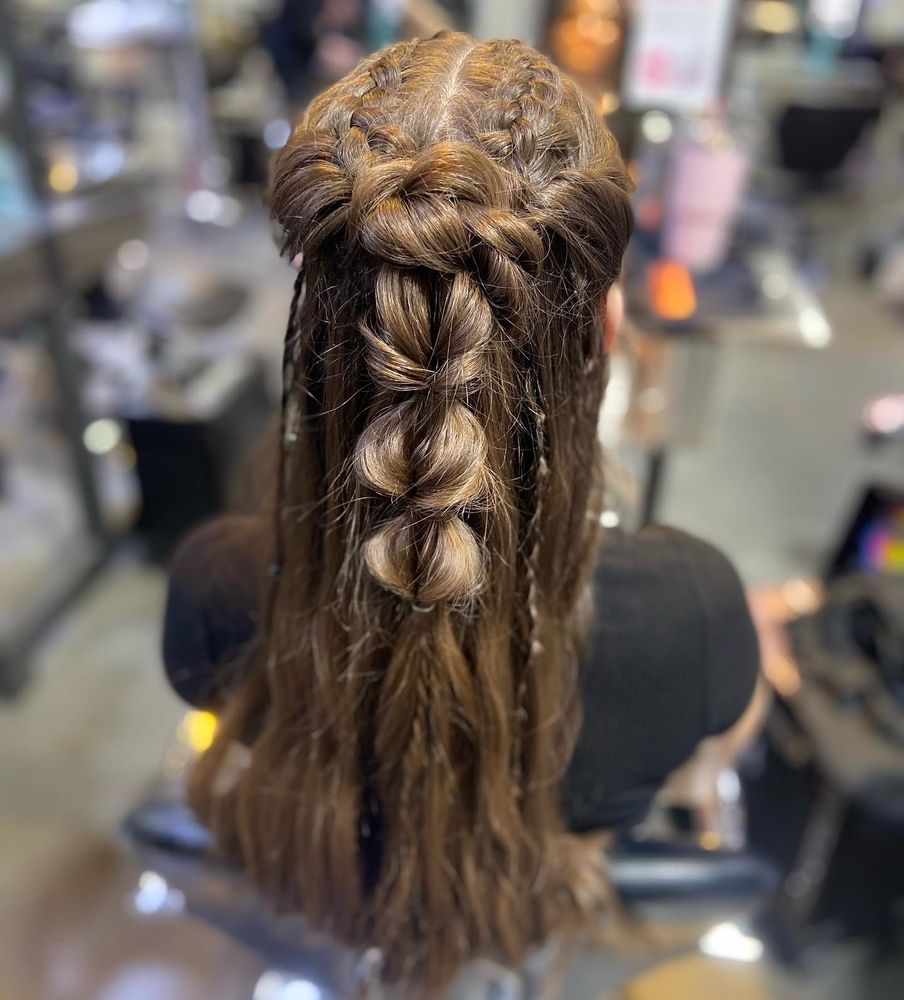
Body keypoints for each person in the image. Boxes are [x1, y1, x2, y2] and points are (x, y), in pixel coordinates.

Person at [163, 32, 760, 996]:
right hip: (533, 919)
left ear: (317, 329)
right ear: (606, 328)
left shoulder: (213, 588)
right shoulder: (695, 609)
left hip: (317, 897)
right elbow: (705, 767)